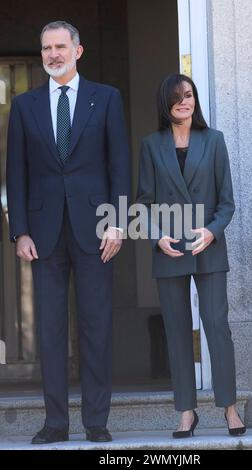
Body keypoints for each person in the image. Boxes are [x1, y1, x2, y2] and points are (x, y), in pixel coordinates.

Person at [6, 21, 131, 444]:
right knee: (51, 331)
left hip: (96, 230)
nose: (53, 54)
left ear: (78, 50)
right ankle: (55, 423)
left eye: (61, 46)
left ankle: (96, 421)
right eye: (46, 48)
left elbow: (120, 166)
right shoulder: (24, 106)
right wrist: (19, 230)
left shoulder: (107, 99)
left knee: (96, 326)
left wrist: (118, 221)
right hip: (43, 233)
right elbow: (16, 173)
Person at [136, 73, 246, 438]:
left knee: (217, 325)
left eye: (190, 95)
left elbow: (227, 202)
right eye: (177, 97)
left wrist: (212, 231)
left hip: (208, 247)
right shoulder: (151, 146)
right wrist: (156, 237)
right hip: (169, 249)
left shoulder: (214, 141)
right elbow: (143, 203)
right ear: (165, 104)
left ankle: (229, 409)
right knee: (177, 331)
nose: (185, 101)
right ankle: (186, 413)